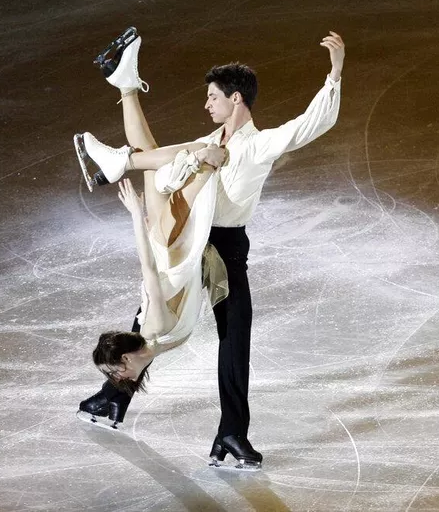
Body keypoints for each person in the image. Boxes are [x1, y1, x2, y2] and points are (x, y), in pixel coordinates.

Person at [77, 26, 345, 469]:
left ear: (236, 99)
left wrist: (333, 75)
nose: (207, 105)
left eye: (214, 98)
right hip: (188, 228)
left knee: (233, 335)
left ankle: (231, 434)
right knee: (151, 317)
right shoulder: (205, 145)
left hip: (222, 245)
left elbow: (305, 127)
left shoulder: (257, 145)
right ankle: (113, 399)